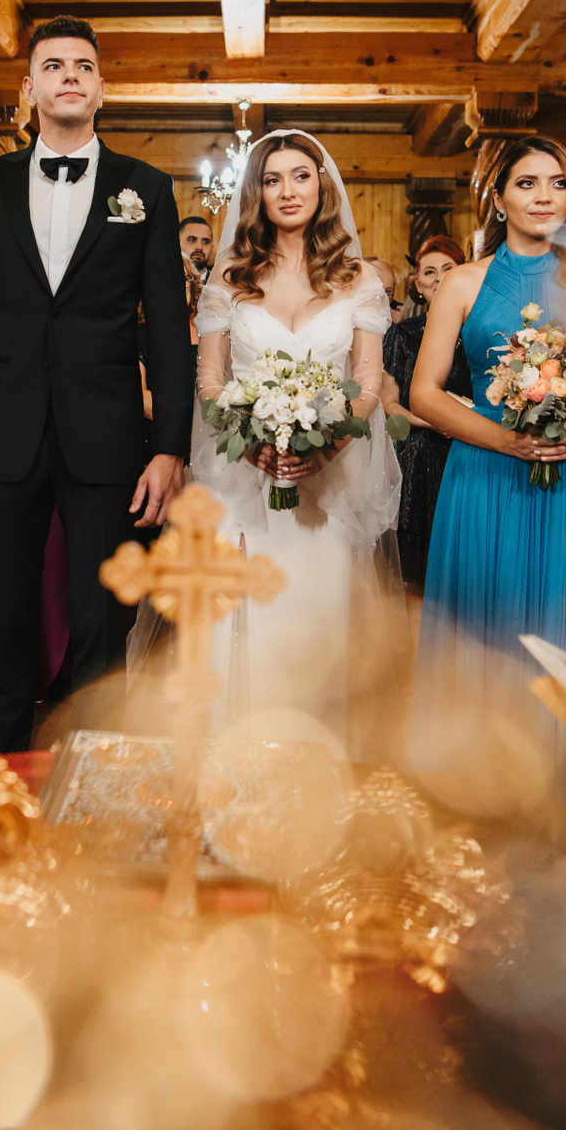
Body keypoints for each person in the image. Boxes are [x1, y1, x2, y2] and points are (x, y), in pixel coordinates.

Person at [0, 16, 193, 755]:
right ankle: (4, 779)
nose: (70, 75)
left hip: (107, 437)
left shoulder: (146, 189)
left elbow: (167, 330)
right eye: (54, 65)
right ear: (30, 88)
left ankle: (98, 784)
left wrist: (169, 448)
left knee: (103, 624)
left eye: (83, 65)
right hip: (1, 434)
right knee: (0, 620)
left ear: (102, 88)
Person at [406, 136, 566, 816]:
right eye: (527, 183)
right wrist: (506, 439)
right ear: (498, 199)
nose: (543, 196)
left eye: (557, 183)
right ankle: (481, 793)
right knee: (489, 627)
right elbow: (424, 393)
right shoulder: (465, 283)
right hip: (486, 477)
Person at [190, 130, 401, 746]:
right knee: (247, 620)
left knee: (320, 624)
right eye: (272, 178)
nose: (288, 190)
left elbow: (367, 381)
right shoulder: (230, 276)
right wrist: (250, 437)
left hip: (330, 487)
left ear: (321, 185)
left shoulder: (358, 279)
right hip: (244, 484)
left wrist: (326, 446)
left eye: (301, 175)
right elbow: (210, 380)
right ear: (256, 192)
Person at [380, 235, 469, 586]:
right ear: (417, 284)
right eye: (429, 272)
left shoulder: (479, 333)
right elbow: (389, 404)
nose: (438, 278)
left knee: (464, 564)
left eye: (448, 268)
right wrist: (434, 420)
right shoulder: (401, 335)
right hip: (417, 457)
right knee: (417, 574)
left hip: (467, 451)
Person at [180, 215, 214, 282]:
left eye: (206, 242)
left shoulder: (219, 284)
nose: (199, 247)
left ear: (211, 247)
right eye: (192, 240)